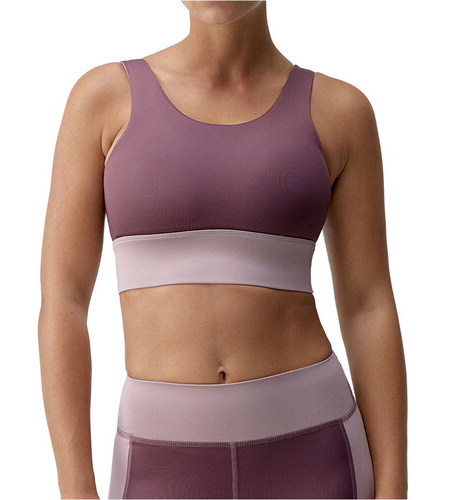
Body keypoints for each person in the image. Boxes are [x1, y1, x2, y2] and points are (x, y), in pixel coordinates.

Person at [38, 1, 407, 499]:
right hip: (160, 467)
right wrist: (75, 486)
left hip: (314, 457)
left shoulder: (340, 112)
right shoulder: (103, 100)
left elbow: (368, 305)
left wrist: (394, 486)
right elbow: (63, 301)